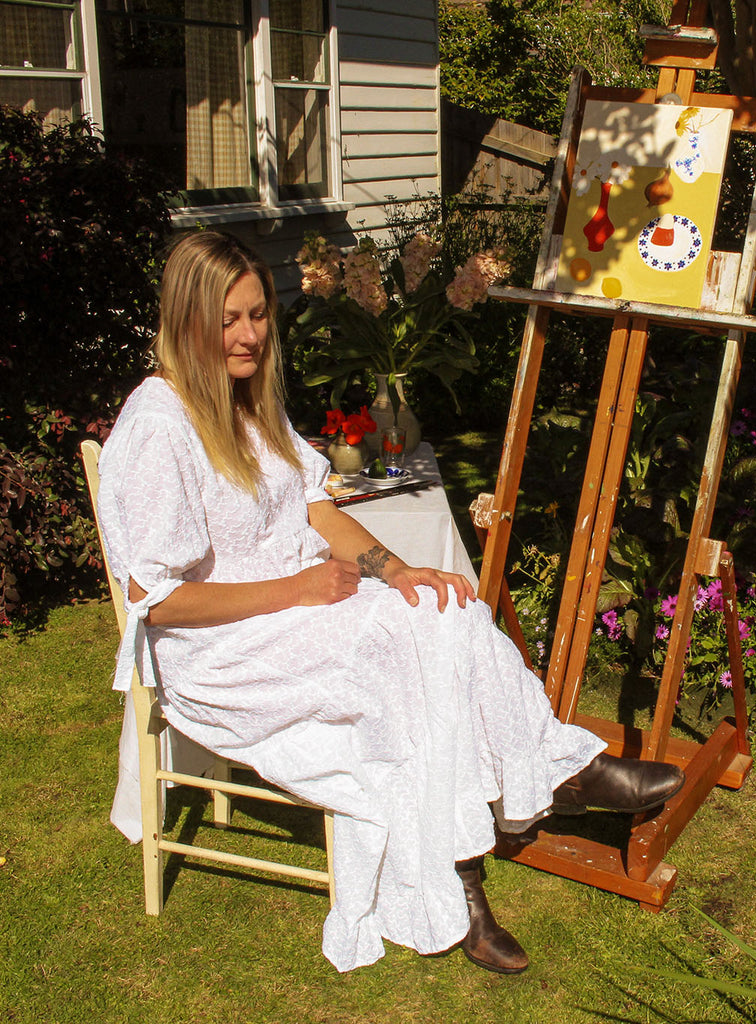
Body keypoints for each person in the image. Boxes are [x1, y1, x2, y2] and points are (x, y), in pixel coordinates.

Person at [97, 231, 684, 975]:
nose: (249, 335)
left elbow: (316, 508)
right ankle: (468, 872)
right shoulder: (159, 425)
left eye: (258, 315)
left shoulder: (244, 404)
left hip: (289, 617)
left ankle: (552, 765)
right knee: (405, 667)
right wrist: (299, 589)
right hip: (218, 652)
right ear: (185, 321)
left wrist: (399, 570)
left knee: (445, 611)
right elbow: (157, 603)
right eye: (228, 320)